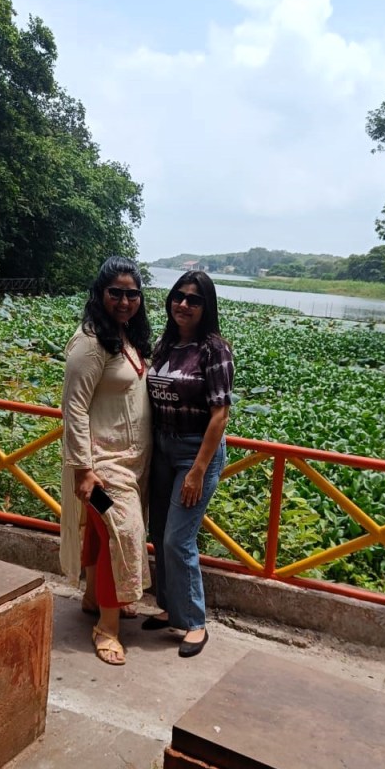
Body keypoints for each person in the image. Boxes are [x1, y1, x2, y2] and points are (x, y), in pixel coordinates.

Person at [60, 256, 152, 665]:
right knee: (124, 534)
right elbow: (74, 408)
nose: (125, 300)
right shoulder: (90, 342)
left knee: (101, 533)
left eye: (133, 293)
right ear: (100, 294)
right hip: (99, 469)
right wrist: (84, 469)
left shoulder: (124, 337)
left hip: (130, 465)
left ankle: (93, 598)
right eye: (116, 292)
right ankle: (107, 629)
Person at [143, 271, 234, 657]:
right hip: (162, 446)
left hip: (196, 452)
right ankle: (170, 608)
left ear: (206, 306)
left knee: (177, 539)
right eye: (178, 296)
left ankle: (195, 621)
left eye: (193, 299)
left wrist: (197, 470)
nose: (183, 304)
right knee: (158, 530)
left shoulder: (214, 350)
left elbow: (220, 415)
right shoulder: (164, 344)